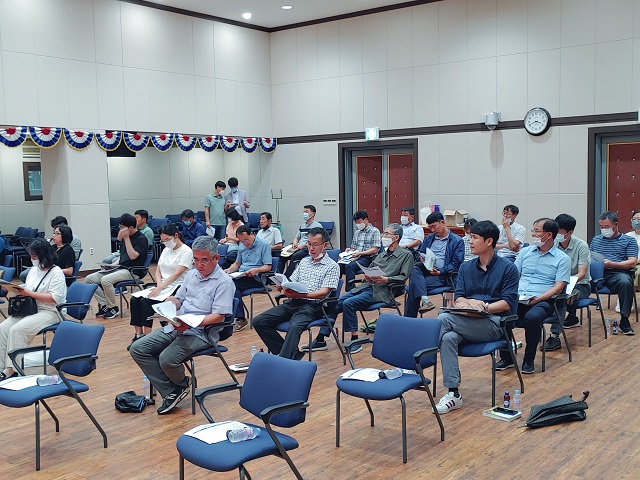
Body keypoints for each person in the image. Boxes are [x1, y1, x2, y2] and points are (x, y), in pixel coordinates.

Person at [130, 236, 235, 415]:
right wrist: (172, 302)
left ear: (216, 258)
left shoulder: (224, 283)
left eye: (204, 260)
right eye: (195, 259)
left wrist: (190, 324)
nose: (199, 264)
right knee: (138, 348)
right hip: (178, 324)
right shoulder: (192, 274)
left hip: (202, 333)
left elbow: (219, 316)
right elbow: (180, 299)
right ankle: (174, 389)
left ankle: (176, 387)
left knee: (166, 359)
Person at [433, 220, 519, 413]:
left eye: (474, 238)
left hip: (494, 324)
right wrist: (471, 304)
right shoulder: (466, 267)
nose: (469, 242)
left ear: (489, 241)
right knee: (447, 337)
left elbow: (507, 303)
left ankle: (417, 360)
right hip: (465, 320)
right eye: (470, 237)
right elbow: (459, 298)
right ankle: (454, 394)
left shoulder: (508, 269)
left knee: (443, 318)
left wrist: (485, 307)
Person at [306, 223, 413, 353]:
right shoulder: (381, 255)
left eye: (386, 233)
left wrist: (386, 279)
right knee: (335, 303)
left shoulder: (406, 255)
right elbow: (371, 269)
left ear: (396, 237)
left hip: (383, 291)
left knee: (348, 303)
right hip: (366, 286)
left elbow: (403, 278)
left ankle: (355, 339)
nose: (383, 236)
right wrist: (367, 276)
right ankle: (321, 338)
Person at [496, 218, 571, 374]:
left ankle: (528, 360)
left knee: (533, 318)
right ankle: (507, 357)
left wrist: (540, 298)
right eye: (533, 230)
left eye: (537, 231)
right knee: (500, 314)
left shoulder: (562, 258)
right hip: (520, 297)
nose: (533, 234)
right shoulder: (525, 252)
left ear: (548, 235)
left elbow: (558, 287)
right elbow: (513, 275)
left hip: (544, 299)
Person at [253, 227, 340, 360]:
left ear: (325, 245)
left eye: (315, 245)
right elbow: (292, 281)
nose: (311, 248)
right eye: (309, 244)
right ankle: (290, 355)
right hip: (293, 302)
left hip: (314, 306)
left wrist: (300, 295)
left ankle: (284, 361)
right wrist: (283, 285)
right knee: (259, 321)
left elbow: (323, 293)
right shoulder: (304, 261)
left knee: (294, 326)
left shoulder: (332, 266)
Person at [0, 238, 67, 380]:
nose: (32, 259)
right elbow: (29, 289)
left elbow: (55, 298)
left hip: (50, 311)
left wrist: (28, 293)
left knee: (17, 330)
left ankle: (12, 369)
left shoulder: (56, 272)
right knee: (3, 328)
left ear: (44, 255)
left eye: (34, 257)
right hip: (31, 309)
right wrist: (16, 289)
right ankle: (2, 367)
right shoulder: (34, 271)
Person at [128, 224, 193, 350]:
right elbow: (158, 270)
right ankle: (138, 335)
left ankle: (148, 338)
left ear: (175, 236)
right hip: (163, 285)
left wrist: (161, 287)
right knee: (135, 299)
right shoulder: (166, 250)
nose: (165, 243)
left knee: (146, 302)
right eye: (163, 241)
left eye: (167, 240)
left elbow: (177, 273)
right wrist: (159, 285)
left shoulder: (186, 251)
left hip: (177, 286)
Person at [542, 214, 592, 350]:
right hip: (555, 284)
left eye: (559, 232)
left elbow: (581, 273)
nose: (556, 234)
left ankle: (554, 336)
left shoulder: (581, 246)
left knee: (561, 299)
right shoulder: (551, 245)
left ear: (570, 232)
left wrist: (563, 283)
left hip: (579, 285)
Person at [86, 213, 149, 319]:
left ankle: (112, 308)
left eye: (122, 228)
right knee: (89, 279)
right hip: (120, 268)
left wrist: (127, 239)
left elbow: (133, 256)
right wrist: (110, 266)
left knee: (106, 280)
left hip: (132, 271)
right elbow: (122, 256)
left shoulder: (141, 239)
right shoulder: (125, 237)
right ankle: (104, 304)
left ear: (131, 227)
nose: (120, 230)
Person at [404, 211, 464, 317]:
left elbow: (456, 264)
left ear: (443, 222)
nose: (432, 230)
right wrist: (422, 258)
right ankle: (425, 301)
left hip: (443, 275)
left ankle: (409, 319)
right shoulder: (430, 238)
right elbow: (420, 253)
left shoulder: (457, 241)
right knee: (414, 268)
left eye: (434, 226)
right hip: (426, 270)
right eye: (430, 227)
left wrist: (440, 271)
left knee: (414, 286)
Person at [590, 211, 638, 335]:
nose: (604, 230)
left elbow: (632, 262)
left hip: (617, 272)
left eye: (606, 227)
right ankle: (572, 316)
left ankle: (624, 319)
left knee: (625, 282)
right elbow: (589, 257)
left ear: (615, 225)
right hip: (597, 272)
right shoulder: (596, 240)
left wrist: (613, 264)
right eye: (601, 227)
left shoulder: (629, 241)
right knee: (576, 281)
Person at [225, 225, 272, 332]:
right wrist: (229, 270)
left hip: (257, 278)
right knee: (228, 284)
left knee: (231, 285)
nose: (245, 243)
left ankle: (240, 318)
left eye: (246, 240)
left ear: (252, 234)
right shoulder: (242, 246)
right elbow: (237, 263)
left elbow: (268, 266)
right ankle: (236, 317)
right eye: (241, 241)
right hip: (242, 275)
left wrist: (256, 270)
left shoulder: (263, 245)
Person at [277, 204, 322, 277]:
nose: (304, 214)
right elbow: (297, 237)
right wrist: (295, 242)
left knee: (295, 256)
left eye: (307, 212)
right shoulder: (302, 226)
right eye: (304, 212)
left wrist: (302, 245)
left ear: (313, 214)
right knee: (282, 255)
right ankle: (278, 277)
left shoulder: (317, 226)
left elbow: (315, 240)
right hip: (298, 246)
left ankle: (287, 277)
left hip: (308, 247)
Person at [342, 210, 381, 291]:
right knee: (339, 265)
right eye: (356, 223)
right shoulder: (357, 232)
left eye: (359, 222)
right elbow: (354, 247)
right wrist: (349, 250)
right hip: (356, 256)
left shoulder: (375, 231)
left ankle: (351, 290)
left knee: (349, 266)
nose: (358, 224)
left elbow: (375, 249)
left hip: (368, 258)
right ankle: (333, 290)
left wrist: (360, 253)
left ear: (365, 219)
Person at [620, 210, 640, 310]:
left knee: (638, 272)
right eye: (634, 219)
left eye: (639, 219)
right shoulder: (627, 236)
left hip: (638, 263)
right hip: (628, 262)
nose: (636, 221)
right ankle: (626, 301)